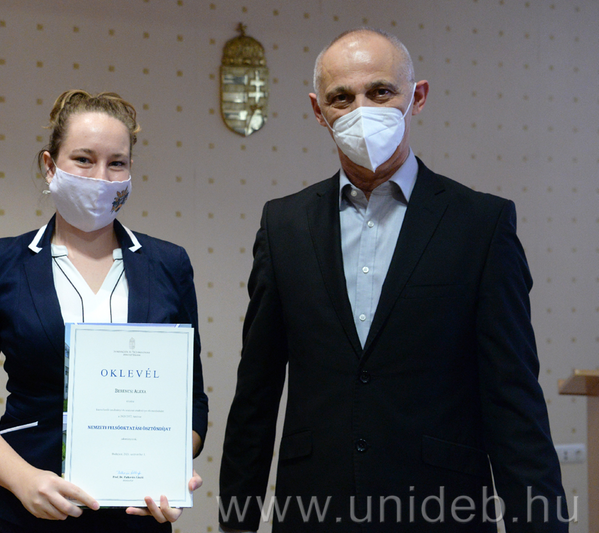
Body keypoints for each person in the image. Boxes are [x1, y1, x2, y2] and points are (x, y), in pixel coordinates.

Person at [218, 28, 567, 532]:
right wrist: (237, 524)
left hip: (441, 510)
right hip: (315, 510)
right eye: (342, 97)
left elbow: (514, 402)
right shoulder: (283, 225)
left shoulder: (480, 225)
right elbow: (256, 393)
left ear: (416, 97)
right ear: (319, 111)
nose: (361, 110)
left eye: (381, 92)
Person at [0, 90, 208, 532]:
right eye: (83, 159)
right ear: (50, 166)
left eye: (116, 163)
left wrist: (168, 469)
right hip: (24, 517)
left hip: (135, 519)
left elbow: (190, 403)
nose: (101, 177)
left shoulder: (168, 265)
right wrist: (23, 480)